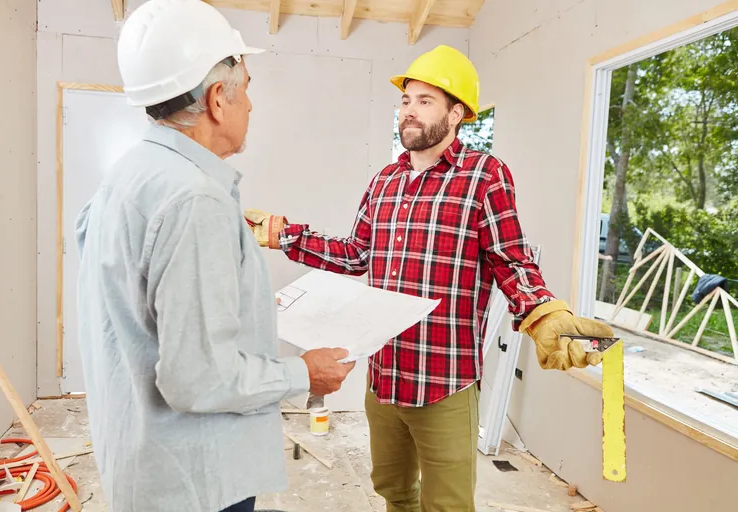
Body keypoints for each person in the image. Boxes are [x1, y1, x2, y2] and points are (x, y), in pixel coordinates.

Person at [244, 45, 614, 511]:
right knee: (395, 493)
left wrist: (542, 312)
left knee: (448, 506)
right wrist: (286, 236)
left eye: (424, 101)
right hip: (385, 376)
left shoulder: (484, 176)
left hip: (445, 382)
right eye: (405, 101)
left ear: (456, 113)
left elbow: (511, 260)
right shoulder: (384, 182)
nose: (409, 112)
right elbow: (358, 254)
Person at [74, 1, 354, 511]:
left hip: (145, 467)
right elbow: (197, 378)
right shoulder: (194, 200)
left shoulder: (130, 175)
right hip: (194, 484)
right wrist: (303, 375)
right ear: (218, 100)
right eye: (247, 89)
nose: (252, 106)